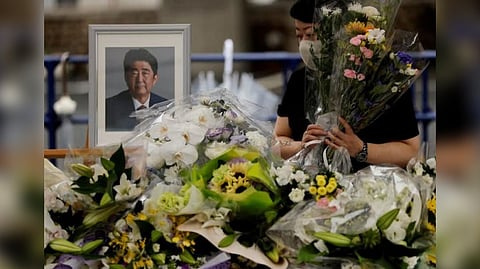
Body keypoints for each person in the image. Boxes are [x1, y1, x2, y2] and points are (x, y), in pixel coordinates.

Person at [274, 0, 420, 172]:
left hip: (375, 188)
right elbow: (278, 139)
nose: (304, 44)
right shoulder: (299, 80)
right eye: (299, 36)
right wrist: (301, 146)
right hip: (311, 186)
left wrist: (360, 149)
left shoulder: (385, 81)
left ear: (339, 33)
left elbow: (411, 151)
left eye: (311, 34)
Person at [106, 48, 168, 131]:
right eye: (134, 73)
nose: (139, 79)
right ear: (126, 77)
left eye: (145, 73)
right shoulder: (109, 107)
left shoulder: (166, 107)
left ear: (155, 79)